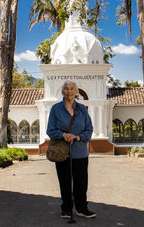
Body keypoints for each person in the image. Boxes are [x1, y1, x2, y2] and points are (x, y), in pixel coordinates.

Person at [46, 80, 96, 219]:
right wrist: (63, 135)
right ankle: (66, 209)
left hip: (80, 152)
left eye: (72, 88)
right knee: (65, 182)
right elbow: (50, 130)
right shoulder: (56, 109)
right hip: (62, 153)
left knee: (81, 182)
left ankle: (82, 209)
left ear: (76, 92)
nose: (69, 91)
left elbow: (89, 129)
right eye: (66, 89)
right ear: (63, 92)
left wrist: (78, 137)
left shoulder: (82, 110)